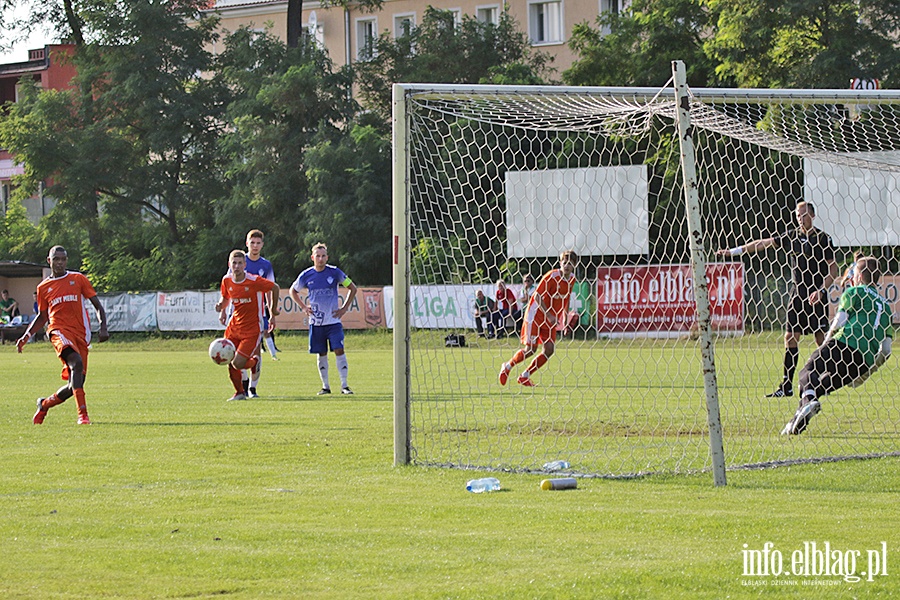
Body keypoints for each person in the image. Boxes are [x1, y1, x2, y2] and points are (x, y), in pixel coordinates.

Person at [716, 202, 838, 397]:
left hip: (816, 296)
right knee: (790, 337)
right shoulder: (792, 236)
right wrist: (734, 251)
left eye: (804, 214)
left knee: (820, 338)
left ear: (813, 216)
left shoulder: (823, 239)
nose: (800, 218)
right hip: (797, 295)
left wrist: (822, 290)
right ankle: (787, 386)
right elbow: (762, 243)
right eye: (798, 215)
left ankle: (829, 377)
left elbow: (833, 268)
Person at [781, 256, 893, 435]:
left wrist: (824, 345)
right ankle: (796, 423)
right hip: (863, 361)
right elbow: (886, 350)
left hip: (844, 343)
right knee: (817, 387)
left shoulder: (854, 293)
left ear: (859, 275)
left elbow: (839, 322)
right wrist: (867, 372)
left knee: (807, 371)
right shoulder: (886, 307)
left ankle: (806, 405)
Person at [16, 246, 109, 425]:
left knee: (76, 382)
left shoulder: (78, 279)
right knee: (76, 363)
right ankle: (83, 415)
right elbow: (43, 316)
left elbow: (97, 305)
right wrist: (27, 335)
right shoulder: (43, 287)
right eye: (56, 259)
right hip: (58, 331)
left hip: (80, 334)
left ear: (66, 260)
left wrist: (103, 327)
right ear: (49, 260)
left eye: (63, 259)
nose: (60, 262)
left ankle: (44, 404)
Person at [498, 249, 578, 387]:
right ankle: (507, 366)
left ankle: (525, 375)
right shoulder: (552, 276)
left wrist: (565, 318)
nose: (567, 266)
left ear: (574, 266)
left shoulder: (571, 280)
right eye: (565, 262)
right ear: (560, 263)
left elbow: (567, 298)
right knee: (530, 349)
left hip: (551, 318)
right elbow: (537, 296)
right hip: (536, 314)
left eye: (570, 263)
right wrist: (549, 315)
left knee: (549, 350)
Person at [290, 243, 358, 395]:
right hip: (316, 322)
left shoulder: (335, 272)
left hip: (333, 322)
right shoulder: (306, 275)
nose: (320, 259)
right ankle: (325, 386)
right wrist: (303, 307)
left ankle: (344, 385)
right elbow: (293, 291)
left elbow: (352, 288)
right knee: (321, 353)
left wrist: (344, 308)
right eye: (318, 256)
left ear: (327, 257)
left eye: (323, 256)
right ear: (312, 257)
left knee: (339, 350)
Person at [216, 250, 280, 401]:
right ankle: (239, 393)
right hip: (234, 326)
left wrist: (272, 309)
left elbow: (275, 288)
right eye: (234, 263)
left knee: (238, 362)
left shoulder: (254, 281)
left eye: (240, 263)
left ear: (245, 265)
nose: (237, 266)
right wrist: (221, 306)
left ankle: (255, 361)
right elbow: (226, 298)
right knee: (229, 360)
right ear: (229, 265)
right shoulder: (227, 280)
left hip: (252, 328)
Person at [240, 230, 278, 399]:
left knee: (256, 351)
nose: (255, 246)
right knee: (239, 352)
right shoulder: (240, 261)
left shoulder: (266, 265)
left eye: (258, 243)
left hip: (258, 314)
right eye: (252, 243)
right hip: (239, 314)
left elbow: (270, 289)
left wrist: (272, 313)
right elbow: (228, 285)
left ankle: (253, 388)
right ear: (247, 243)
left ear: (262, 245)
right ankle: (244, 383)